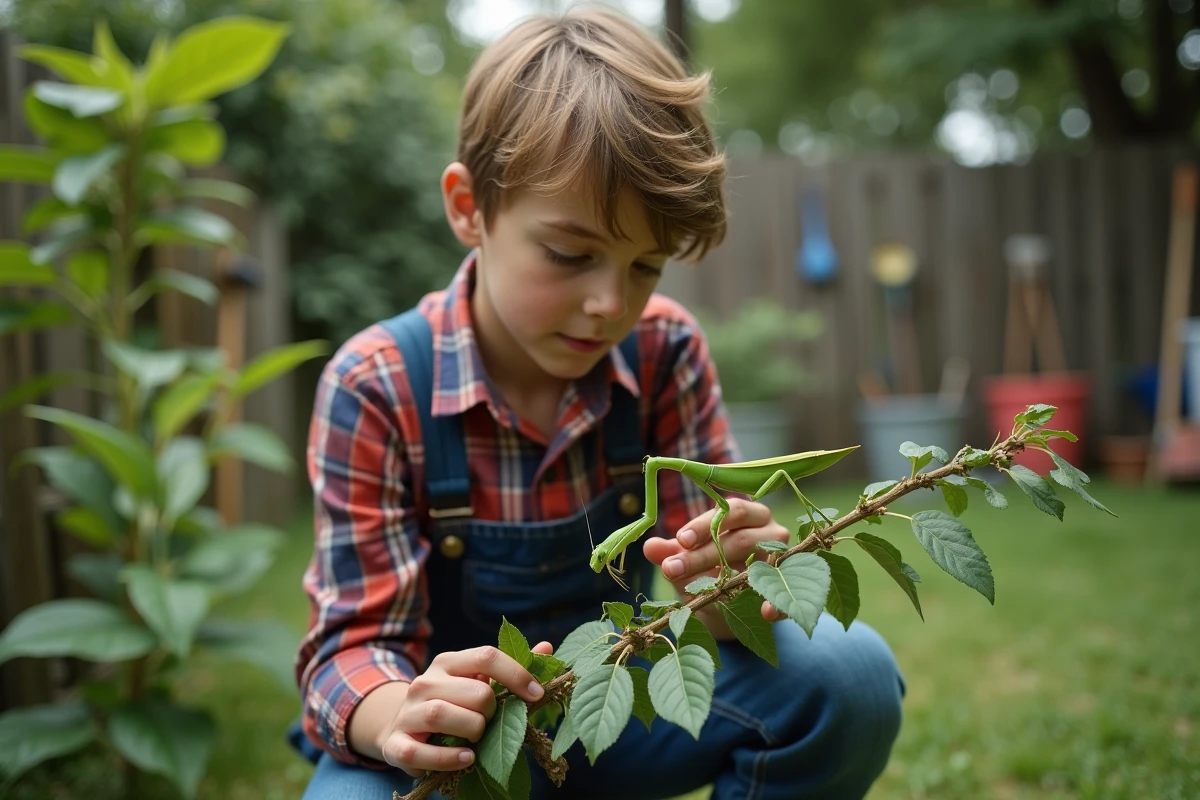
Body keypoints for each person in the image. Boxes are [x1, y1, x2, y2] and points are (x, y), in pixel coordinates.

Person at [288, 6, 905, 799]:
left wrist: (734, 582)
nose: (610, 304)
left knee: (847, 677)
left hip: (619, 710)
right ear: (469, 207)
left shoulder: (664, 351)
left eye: (646, 265)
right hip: (453, 747)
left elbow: (718, 610)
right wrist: (396, 712)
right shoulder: (375, 383)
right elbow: (348, 646)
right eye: (570, 254)